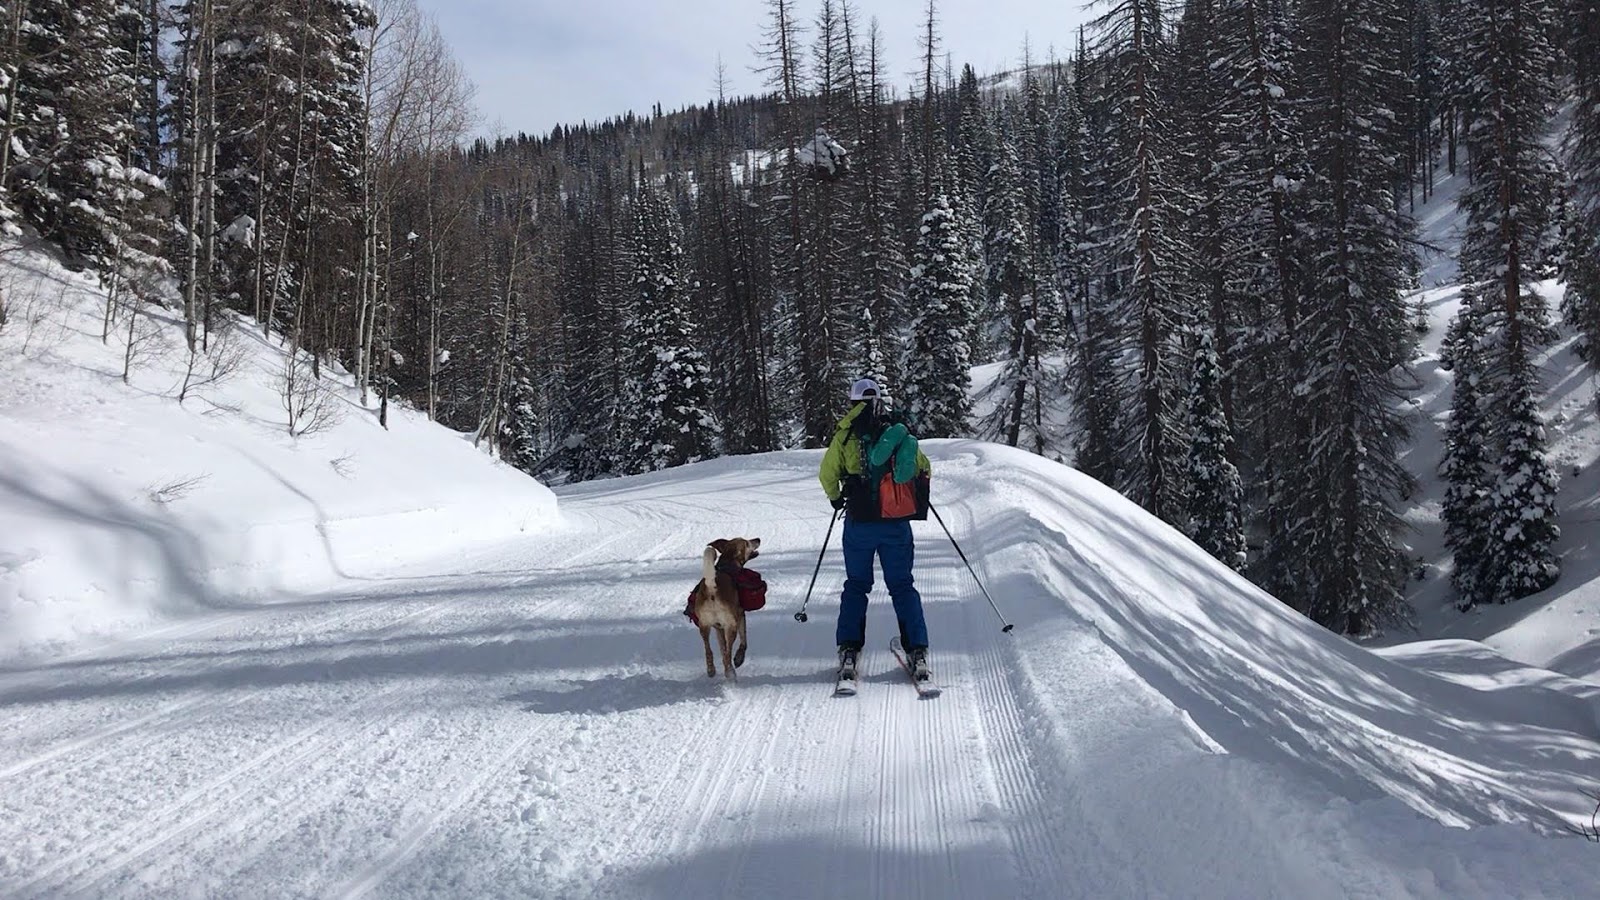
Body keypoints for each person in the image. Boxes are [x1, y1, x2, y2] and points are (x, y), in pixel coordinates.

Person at [818, 378, 933, 682]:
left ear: (853, 401)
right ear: (879, 400)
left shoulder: (845, 436)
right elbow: (923, 467)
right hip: (895, 523)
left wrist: (835, 497)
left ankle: (849, 649)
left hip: (859, 523)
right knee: (902, 585)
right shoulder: (894, 432)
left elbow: (827, 473)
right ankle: (917, 649)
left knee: (856, 585)